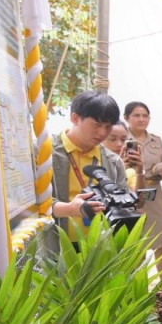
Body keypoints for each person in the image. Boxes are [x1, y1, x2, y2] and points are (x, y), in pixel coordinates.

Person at [51, 91, 129, 242]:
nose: (103, 133)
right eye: (97, 125)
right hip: (55, 247)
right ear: (75, 118)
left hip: (101, 247)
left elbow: (122, 204)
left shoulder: (113, 162)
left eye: (108, 126)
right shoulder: (44, 153)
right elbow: (32, 204)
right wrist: (70, 209)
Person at [124, 102, 162, 275]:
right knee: (138, 245)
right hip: (131, 194)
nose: (141, 119)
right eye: (136, 115)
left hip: (154, 193)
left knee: (161, 243)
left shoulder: (156, 140)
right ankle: (140, 288)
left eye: (145, 115)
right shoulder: (122, 139)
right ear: (126, 118)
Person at [102, 122, 143, 189]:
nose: (119, 144)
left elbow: (139, 195)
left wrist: (140, 173)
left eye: (123, 140)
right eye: (112, 139)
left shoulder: (129, 171)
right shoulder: (93, 163)